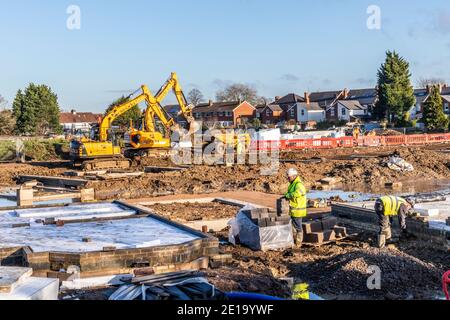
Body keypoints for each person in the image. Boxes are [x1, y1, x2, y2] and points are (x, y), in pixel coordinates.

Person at [284, 168, 307, 247]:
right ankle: (294, 242)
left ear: (294, 176)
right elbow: (291, 192)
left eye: (289, 177)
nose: (288, 178)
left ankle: (298, 244)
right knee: (293, 227)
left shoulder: (298, 184)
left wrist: (289, 195)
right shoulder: (293, 183)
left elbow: (298, 193)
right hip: (294, 209)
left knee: (298, 227)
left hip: (298, 210)